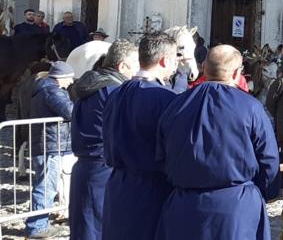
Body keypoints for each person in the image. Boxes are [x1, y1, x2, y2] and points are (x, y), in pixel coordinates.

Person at [154, 45, 280, 240]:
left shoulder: (176, 104)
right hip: (234, 208)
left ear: (204, 67)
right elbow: (268, 158)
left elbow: (161, 155)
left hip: (184, 205)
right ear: (237, 73)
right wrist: (265, 192)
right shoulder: (250, 107)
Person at [102, 32, 180, 240]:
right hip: (152, 188)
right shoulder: (167, 98)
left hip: (117, 184)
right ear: (165, 60)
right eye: (175, 59)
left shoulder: (115, 94)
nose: (176, 65)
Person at [68, 40, 138, 240]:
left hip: (85, 165)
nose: (137, 70)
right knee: (98, 229)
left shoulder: (90, 85)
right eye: (134, 64)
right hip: (103, 166)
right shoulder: (115, 91)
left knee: (84, 228)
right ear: (122, 66)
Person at [24, 61, 75, 239]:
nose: (71, 82)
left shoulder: (44, 88)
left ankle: (38, 224)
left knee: (45, 186)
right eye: (70, 78)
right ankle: (37, 228)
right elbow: (70, 111)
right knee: (46, 188)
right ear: (61, 77)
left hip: (47, 144)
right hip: (50, 146)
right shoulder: (53, 91)